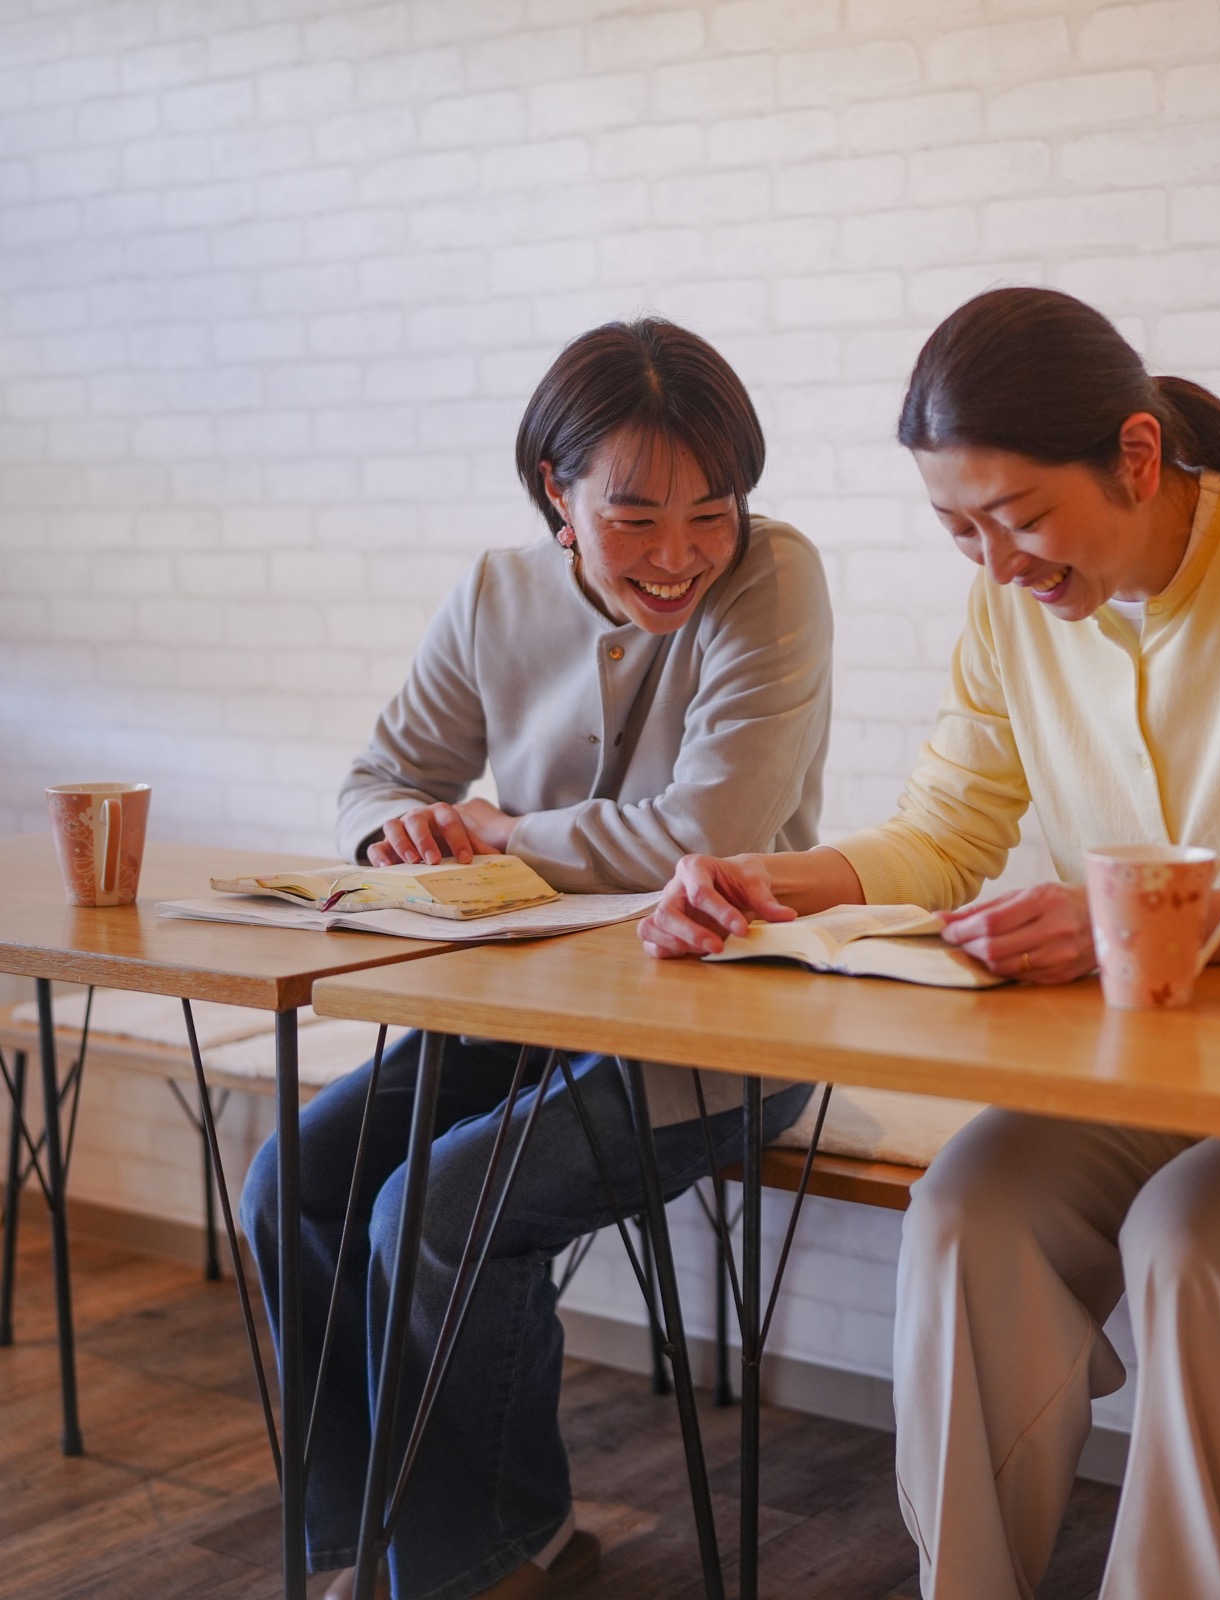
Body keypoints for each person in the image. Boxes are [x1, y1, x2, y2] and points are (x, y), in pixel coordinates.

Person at [641, 287, 1220, 1600]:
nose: (996, 564)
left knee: (1200, 1243)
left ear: (1138, 457)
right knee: (968, 1210)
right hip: (1157, 1073)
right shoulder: (1009, 605)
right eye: (958, 531)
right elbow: (944, 833)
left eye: (1022, 517)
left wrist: (1143, 924)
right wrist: (770, 882)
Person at [244, 319, 828, 1600]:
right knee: (291, 1182)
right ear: (556, 496)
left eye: (710, 512)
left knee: (434, 1212)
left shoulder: (774, 579)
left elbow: (707, 834)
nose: (678, 558)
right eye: (632, 519)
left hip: (727, 1031)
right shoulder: (496, 592)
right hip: (522, 1013)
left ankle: (494, 1556)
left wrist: (501, 829)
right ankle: (373, 1541)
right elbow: (378, 775)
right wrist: (394, 829)